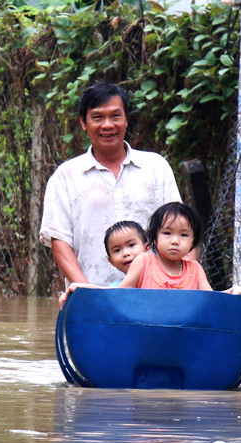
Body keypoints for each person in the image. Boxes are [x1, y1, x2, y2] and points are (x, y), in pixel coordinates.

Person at [40, 80, 182, 288]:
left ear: (126, 120)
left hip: (155, 298)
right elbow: (60, 243)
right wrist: (90, 295)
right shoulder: (65, 177)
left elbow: (180, 230)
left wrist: (179, 286)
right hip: (92, 297)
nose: (107, 125)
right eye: (97, 117)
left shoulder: (156, 168)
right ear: (83, 122)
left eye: (115, 116)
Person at [119, 203, 241, 306]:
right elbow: (118, 296)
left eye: (184, 235)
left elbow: (212, 301)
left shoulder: (195, 269)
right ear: (154, 238)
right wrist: (97, 291)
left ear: (193, 242)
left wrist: (233, 292)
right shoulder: (144, 262)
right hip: (144, 334)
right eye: (167, 233)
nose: (175, 241)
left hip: (183, 337)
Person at [57, 220, 148, 307]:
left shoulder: (160, 275)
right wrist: (79, 293)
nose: (125, 253)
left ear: (147, 248)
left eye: (131, 245)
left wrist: (85, 288)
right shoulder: (115, 288)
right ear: (111, 262)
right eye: (117, 250)